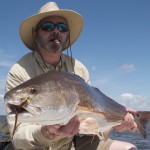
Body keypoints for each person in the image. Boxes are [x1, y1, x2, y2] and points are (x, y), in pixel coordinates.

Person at [0, 2, 138, 150]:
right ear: (35, 33)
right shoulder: (19, 71)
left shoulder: (79, 69)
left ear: (67, 34)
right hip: (33, 145)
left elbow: (90, 122)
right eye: (48, 26)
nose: (56, 31)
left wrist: (116, 121)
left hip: (70, 143)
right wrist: (45, 132)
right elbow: (18, 135)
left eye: (62, 28)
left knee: (129, 148)